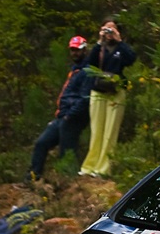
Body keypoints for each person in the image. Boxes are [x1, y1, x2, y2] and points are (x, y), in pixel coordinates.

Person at [28, 36, 91, 180]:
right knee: (41, 143)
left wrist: (70, 115)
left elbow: (84, 98)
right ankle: (33, 177)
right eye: (72, 50)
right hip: (62, 116)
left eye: (77, 50)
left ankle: (68, 181)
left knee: (66, 152)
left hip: (73, 118)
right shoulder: (74, 70)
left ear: (84, 50)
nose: (74, 53)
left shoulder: (87, 71)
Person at [79, 20, 136, 178]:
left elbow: (131, 59)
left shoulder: (121, 49)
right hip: (98, 91)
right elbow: (88, 64)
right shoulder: (100, 48)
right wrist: (99, 42)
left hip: (116, 91)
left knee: (110, 132)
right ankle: (89, 166)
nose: (109, 32)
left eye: (112, 29)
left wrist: (119, 41)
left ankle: (103, 169)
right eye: (106, 29)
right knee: (97, 131)